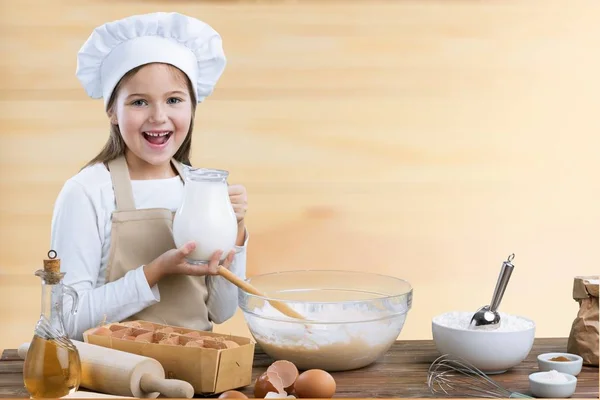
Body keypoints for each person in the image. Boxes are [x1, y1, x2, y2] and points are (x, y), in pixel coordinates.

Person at [50, 12, 249, 340]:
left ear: (192, 107)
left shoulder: (201, 190)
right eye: (140, 102)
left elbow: (220, 312)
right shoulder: (87, 191)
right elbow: (65, 319)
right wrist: (155, 272)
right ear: (113, 111)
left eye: (174, 100)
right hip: (114, 377)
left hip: (195, 377)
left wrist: (236, 232)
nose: (159, 117)